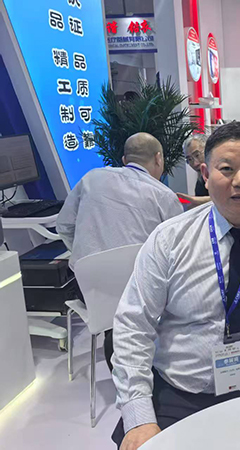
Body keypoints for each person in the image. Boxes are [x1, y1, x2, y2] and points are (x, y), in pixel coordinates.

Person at [111, 121, 240, 450]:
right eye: (226, 169)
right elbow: (133, 325)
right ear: (206, 175)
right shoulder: (169, 239)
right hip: (180, 391)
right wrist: (139, 418)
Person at [57, 132, 183, 372]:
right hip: (146, 295)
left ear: (125, 160)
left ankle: (123, 372)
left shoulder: (91, 178)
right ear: (158, 158)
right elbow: (178, 249)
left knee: (117, 318)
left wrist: (88, 261)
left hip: (93, 293)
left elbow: (63, 226)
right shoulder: (163, 195)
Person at [177, 133, 240, 208]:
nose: (195, 163)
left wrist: (198, 200)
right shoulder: (200, 182)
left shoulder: (238, 173)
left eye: (197, 155)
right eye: (189, 159)